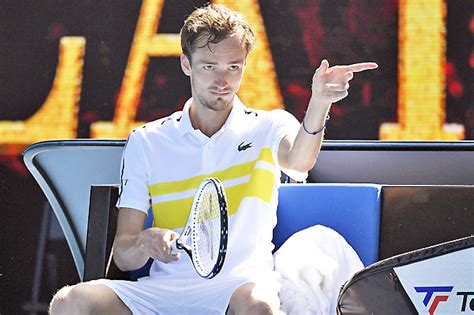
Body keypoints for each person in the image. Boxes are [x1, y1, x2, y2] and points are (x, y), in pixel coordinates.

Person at [49, 3, 377, 314]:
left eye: (233, 67)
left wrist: (319, 101)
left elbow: (299, 160)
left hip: (241, 288)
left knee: (258, 306)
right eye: (210, 67)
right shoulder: (147, 141)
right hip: (163, 291)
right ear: (186, 64)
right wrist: (145, 244)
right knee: (69, 302)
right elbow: (123, 254)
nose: (223, 81)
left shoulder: (269, 125)